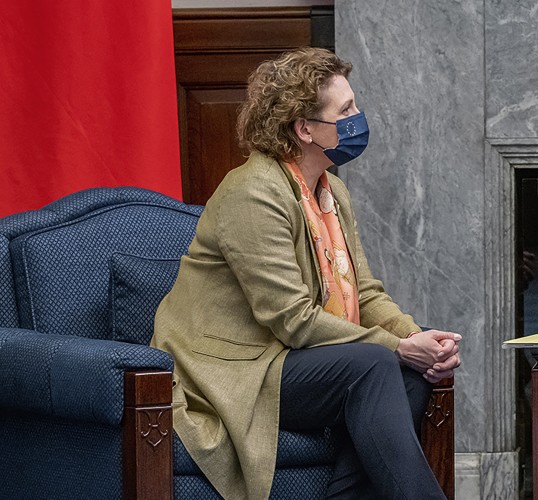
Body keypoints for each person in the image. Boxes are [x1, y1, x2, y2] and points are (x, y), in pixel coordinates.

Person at [150, 48, 462, 500]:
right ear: (305, 129)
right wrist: (397, 348)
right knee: (377, 363)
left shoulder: (330, 187)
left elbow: (366, 293)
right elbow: (292, 319)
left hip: (294, 355)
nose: (360, 118)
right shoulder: (252, 192)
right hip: (237, 367)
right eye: (347, 110)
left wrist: (417, 340)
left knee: (411, 371)